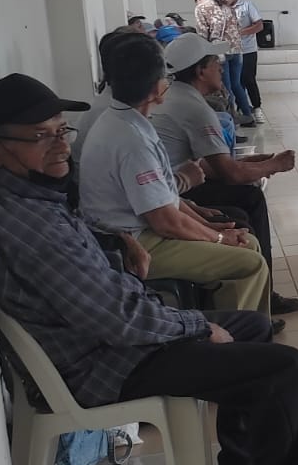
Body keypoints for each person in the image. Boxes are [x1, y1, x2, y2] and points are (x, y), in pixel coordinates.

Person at [0, 73, 298, 465]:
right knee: (284, 369)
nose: (61, 146)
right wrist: (195, 326)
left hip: (110, 343)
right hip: (107, 363)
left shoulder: (28, 195)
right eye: (41, 136)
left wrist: (117, 241)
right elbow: (118, 320)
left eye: (61, 130)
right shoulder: (31, 228)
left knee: (253, 327)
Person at [79, 31, 271, 314]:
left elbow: (164, 196)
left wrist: (210, 228)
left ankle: (250, 325)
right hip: (135, 244)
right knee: (248, 263)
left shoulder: (126, 120)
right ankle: (240, 332)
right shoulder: (131, 140)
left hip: (144, 230)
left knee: (248, 243)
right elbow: (165, 221)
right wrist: (219, 239)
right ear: (156, 86)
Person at [155, 34, 298, 314]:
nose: (221, 66)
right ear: (200, 71)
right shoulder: (195, 108)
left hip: (174, 187)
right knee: (249, 198)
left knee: (243, 198)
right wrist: (275, 165)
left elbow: (209, 164)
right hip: (174, 193)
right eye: (215, 62)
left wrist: (249, 164)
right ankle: (263, 295)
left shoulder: (175, 96)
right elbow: (230, 174)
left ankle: (257, 291)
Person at [195, 0, 253, 127]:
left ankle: (232, 123)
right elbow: (238, 26)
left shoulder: (201, 8)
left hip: (219, 51)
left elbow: (202, 33)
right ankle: (248, 116)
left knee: (225, 88)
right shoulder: (226, 6)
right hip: (236, 49)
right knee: (236, 84)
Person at [217, 0, 267, 125]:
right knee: (236, 83)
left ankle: (257, 108)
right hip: (231, 51)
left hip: (248, 49)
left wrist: (239, 32)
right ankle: (243, 111)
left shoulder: (247, 5)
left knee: (249, 79)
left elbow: (259, 26)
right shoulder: (221, 9)